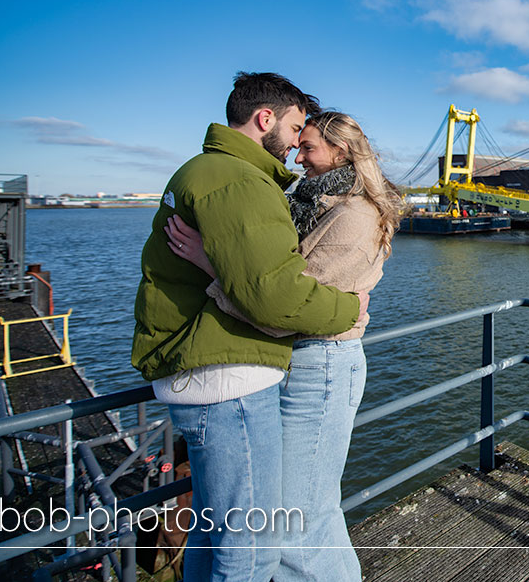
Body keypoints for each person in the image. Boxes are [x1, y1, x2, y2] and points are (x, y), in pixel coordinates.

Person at [132, 73, 366, 582]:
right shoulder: (240, 180)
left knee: (215, 533)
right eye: (296, 128)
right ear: (266, 120)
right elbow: (273, 295)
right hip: (226, 374)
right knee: (252, 548)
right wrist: (350, 311)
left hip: (205, 367)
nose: (297, 149)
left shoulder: (211, 170)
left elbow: (255, 282)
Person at [166, 111, 401, 581]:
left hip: (323, 362)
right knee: (307, 509)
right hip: (300, 359)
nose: (297, 155)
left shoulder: (353, 215)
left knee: (299, 519)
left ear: (341, 152)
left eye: (308, 146)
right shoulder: (316, 202)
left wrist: (213, 266)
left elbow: (283, 302)